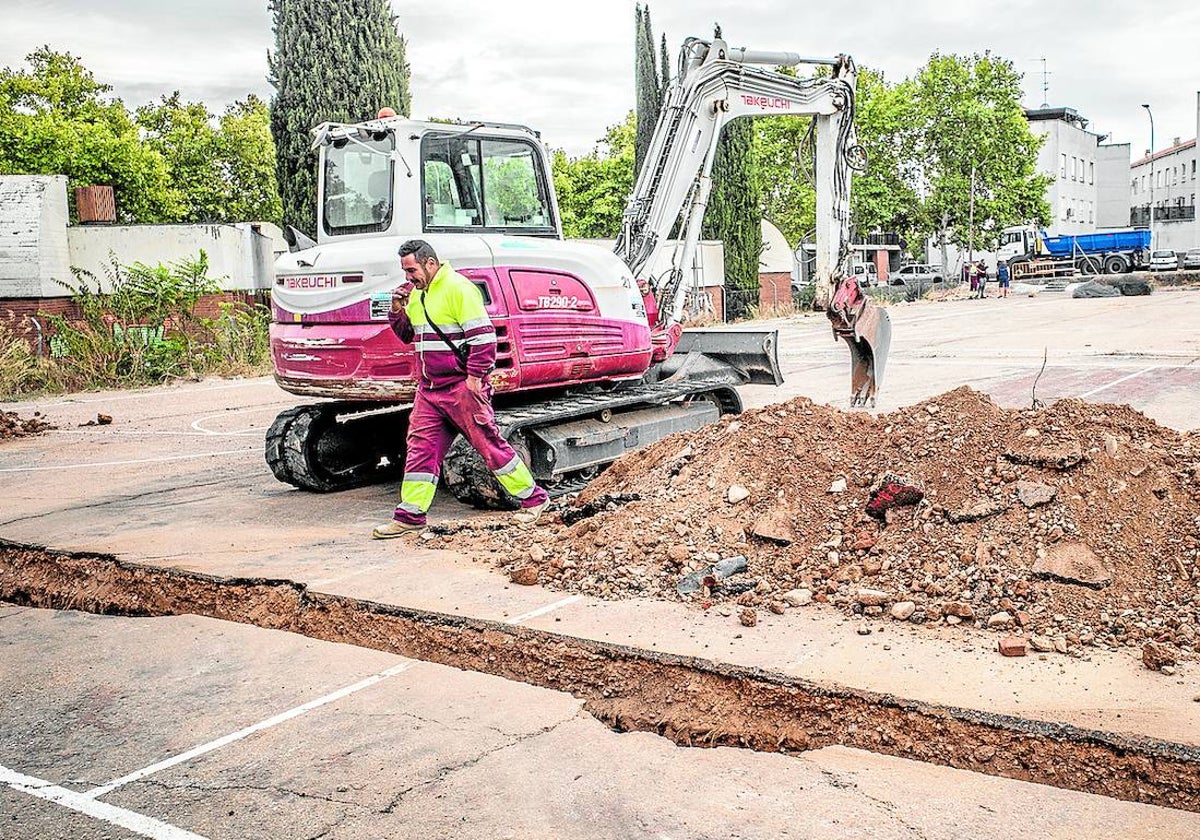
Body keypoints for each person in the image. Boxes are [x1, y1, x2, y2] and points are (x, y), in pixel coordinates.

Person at [372, 239, 549, 539]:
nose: (407, 277)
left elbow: (483, 339)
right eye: (404, 271)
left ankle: (534, 500)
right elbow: (407, 336)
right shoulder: (418, 296)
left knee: (488, 444)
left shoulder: (458, 288)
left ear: (430, 263)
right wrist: (395, 311)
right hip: (429, 390)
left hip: (460, 387)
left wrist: (475, 379)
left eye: (411, 269)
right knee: (420, 450)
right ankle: (411, 515)